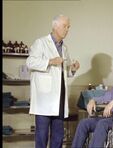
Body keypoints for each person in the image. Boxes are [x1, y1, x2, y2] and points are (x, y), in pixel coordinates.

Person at [26, 14, 80, 148]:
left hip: (59, 98)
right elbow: (30, 62)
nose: (67, 29)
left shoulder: (64, 48)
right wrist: (50, 61)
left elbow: (63, 72)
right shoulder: (41, 43)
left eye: (68, 27)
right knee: (42, 136)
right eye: (65, 26)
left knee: (58, 136)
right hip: (44, 99)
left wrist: (72, 69)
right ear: (55, 26)